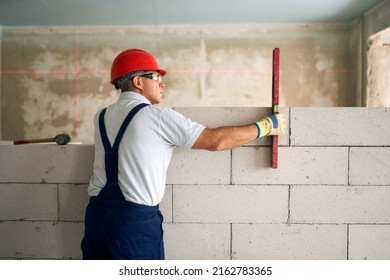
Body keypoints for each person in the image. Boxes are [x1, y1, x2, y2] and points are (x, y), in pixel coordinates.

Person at [81, 48, 285, 260]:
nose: (162, 83)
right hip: (133, 226)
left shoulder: (101, 117)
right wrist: (266, 126)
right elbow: (216, 141)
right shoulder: (156, 116)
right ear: (138, 81)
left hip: (97, 218)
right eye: (156, 77)